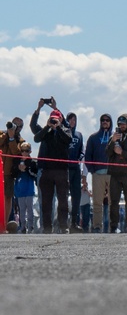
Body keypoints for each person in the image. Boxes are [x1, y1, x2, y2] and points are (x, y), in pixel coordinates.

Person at [30, 98, 72, 233]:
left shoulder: (65, 130)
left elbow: (68, 140)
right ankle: (47, 227)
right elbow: (36, 137)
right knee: (46, 202)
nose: (54, 121)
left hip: (61, 171)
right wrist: (47, 124)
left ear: (60, 119)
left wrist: (59, 127)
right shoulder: (45, 132)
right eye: (52, 119)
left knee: (63, 200)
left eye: (56, 119)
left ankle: (63, 226)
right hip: (46, 170)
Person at [83, 114, 114, 232]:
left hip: (112, 174)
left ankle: (113, 226)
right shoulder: (93, 138)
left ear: (110, 122)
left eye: (107, 120)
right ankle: (97, 226)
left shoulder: (115, 137)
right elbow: (87, 156)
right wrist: (92, 171)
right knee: (97, 202)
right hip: (98, 174)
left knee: (113, 202)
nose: (105, 122)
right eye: (103, 120)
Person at [64, 112, 86, 232]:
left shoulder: (79, 135)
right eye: (70, 120)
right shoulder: (63, 133)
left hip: (75, 168)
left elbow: (82, 150)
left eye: (74, 120)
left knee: (76, 196)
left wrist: (80, 158)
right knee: (64, 196)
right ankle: (63, 223)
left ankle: (74, 222)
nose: (72, 122)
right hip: (65, 168)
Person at [2, 118, 26, 223]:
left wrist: (12, 138)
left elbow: (16, 153)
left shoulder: (21, 141)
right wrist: (7, 134)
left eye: (19, 126)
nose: (16, 127)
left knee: (7, 198)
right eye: (14, 124)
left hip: (9, 174)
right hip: (0, 171)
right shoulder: (2, 134)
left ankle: (4, 223)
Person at [13, 144, 38, 233]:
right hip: (20, 189)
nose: (24, 153)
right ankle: (23, 226)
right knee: (21, 209)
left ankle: (30, 226)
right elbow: (13, 173)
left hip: (29, 189)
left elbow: (35, 174)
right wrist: (19, 168)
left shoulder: (33, 161)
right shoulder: (17, 161)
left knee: (30, 208)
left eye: (26, 151)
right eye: (22, 151)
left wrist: (27, 169)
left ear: (30, 151)